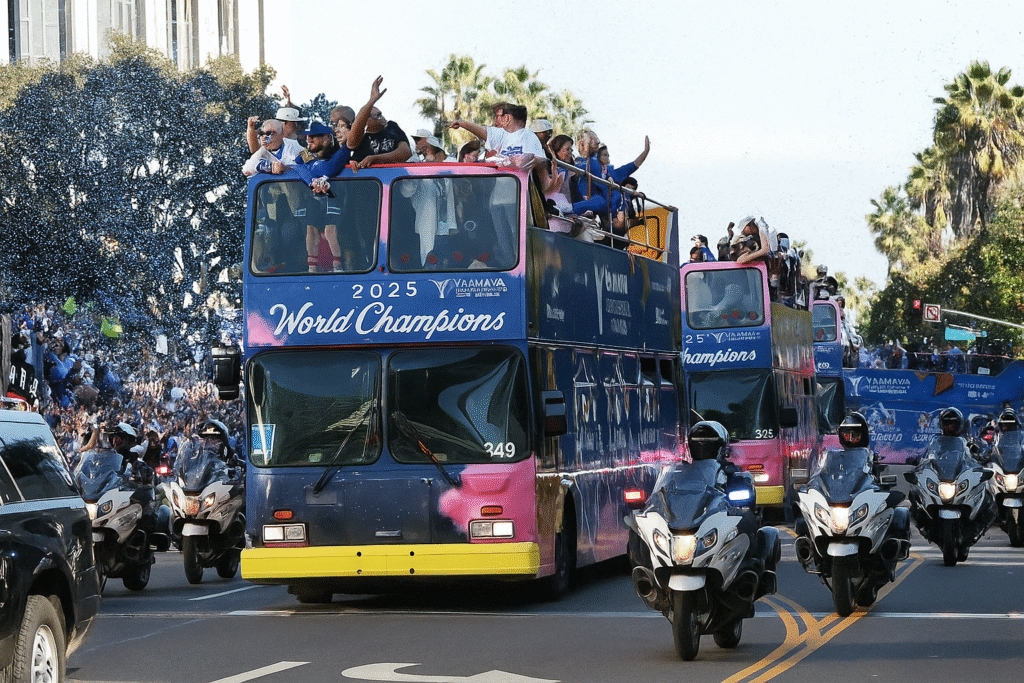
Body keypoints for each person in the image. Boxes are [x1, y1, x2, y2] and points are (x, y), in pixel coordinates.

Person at [347, 76, 414, 170]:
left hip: (394, 179)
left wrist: (374, 159)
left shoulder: (391, 127)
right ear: (367, 121)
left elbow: (406, 152)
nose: (382, 118)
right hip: (371, 181)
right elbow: (351, 143)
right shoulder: (361, 138)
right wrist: (372, 100)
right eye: (378, 116)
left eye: (381, 114)